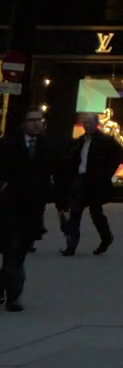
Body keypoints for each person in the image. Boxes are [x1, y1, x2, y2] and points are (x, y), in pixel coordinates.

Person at [0, 110, 63, 311]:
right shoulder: (8, 144)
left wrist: (59, 200)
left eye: (40, 120)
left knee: (18, 254)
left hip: (32, 210)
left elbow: (56, 173)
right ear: (23, 123)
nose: (37, 124)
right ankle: (13, 296)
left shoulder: (48, 146)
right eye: (32, 120)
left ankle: (8, 290)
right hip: (9, 208)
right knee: (12, 252)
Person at [59, 113, 122, 256]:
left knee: (96, 213)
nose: (86, 125)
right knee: (75, 213)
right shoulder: (80, 141)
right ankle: (71, 246)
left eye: (89, 123)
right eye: (85, 123)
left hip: (96, 182)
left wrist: (107, 174)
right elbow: (74, 159)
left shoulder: (106, 141)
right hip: (81, 180)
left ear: (96, 124)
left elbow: (116, 156)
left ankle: (106, 238)